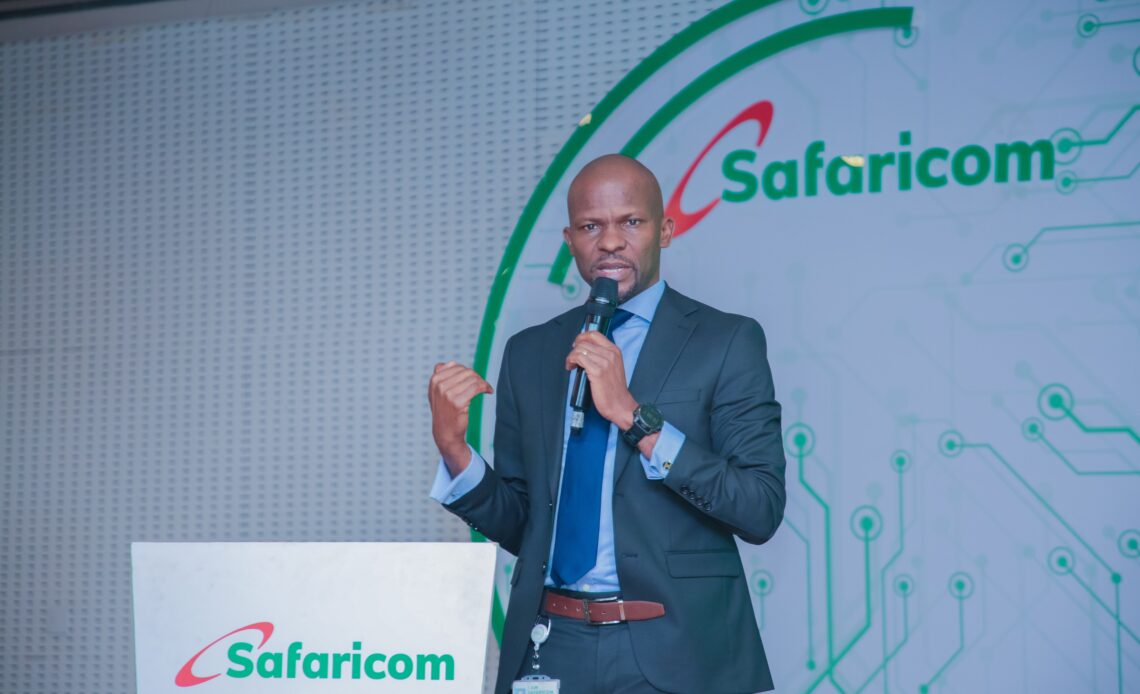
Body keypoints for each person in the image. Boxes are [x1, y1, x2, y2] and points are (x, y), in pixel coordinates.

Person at [428, 154, 786, 693]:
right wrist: (454, 450)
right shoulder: (530, 352)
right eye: (591, 226)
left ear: (665, 231)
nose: (611, 242)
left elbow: (759, 508)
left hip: (678, 650)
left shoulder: (726, 341)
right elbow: (526, 526)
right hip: (553, 644)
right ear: (570, 240)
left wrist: (634, 418)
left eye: (631, 222)